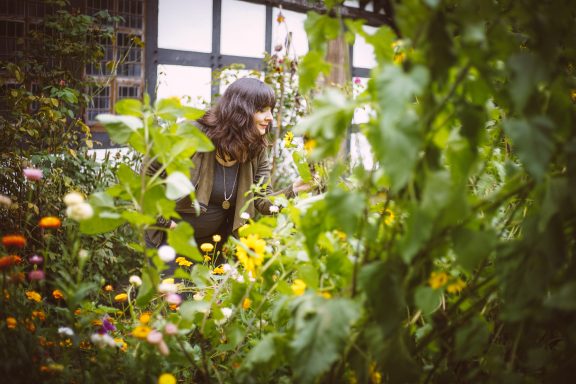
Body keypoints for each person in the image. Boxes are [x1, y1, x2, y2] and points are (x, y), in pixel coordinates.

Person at [144, 77, 308, 260]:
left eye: (270, 110)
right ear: (240, 112)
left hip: (214, 245)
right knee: (172, 289)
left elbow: (262, 201)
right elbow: (148, 172)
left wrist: (294, 190)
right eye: (262, 110)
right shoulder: (193, 132)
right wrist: (163, 222)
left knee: (208, 288)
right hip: (172, 241)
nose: (269, 117)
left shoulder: (256, 148)